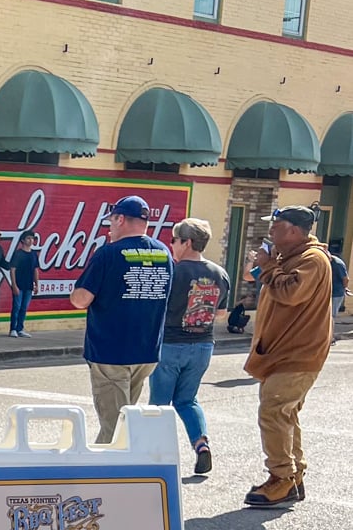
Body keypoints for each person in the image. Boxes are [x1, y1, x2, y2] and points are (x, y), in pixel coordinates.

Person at [243, 205, 333, 507]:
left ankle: (281, 479)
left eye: (276, 225)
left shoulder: (312, 259)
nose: (270, 230)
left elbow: (291, 293)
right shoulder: (291, 258)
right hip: (284, 353)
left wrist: (268, 266)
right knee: (285, 414)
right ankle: (293, 476)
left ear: (294, 230)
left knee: (273, 412)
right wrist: (265, 266)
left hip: (298, 353)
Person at [69, 196, 171, 444]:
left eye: (111, 221)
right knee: (125, 419)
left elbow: (81, 299)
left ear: (121, 219)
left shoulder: (108, 253)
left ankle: (105, 477)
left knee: (114, 428)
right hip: (146, 351)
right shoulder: (163, 253)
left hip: (111, 352)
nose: (109, 227)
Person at [149, 218, 229, 476]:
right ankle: (201, 444)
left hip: (172, 343)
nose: (171, 245)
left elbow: (156, 307)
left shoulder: (174, 271)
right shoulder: (220, 273)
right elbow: (222, 314)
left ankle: (154, 457)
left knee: (160, 404)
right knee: (187, 400)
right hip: (203, 344)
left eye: (174, 240)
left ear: (187, 242)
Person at [6, 229, 41, 337]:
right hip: (19, 285)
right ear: (23, 240)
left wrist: (36, 284)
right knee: (16, 307)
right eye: (28, 238)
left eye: (32, 238)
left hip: (29, 285)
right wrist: (14, 285)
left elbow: (35, 270)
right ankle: (13, 329)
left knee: (24, 308)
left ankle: (20, 328)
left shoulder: (34, 254)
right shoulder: (18, 254)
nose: (31, 240)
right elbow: (12, 270)